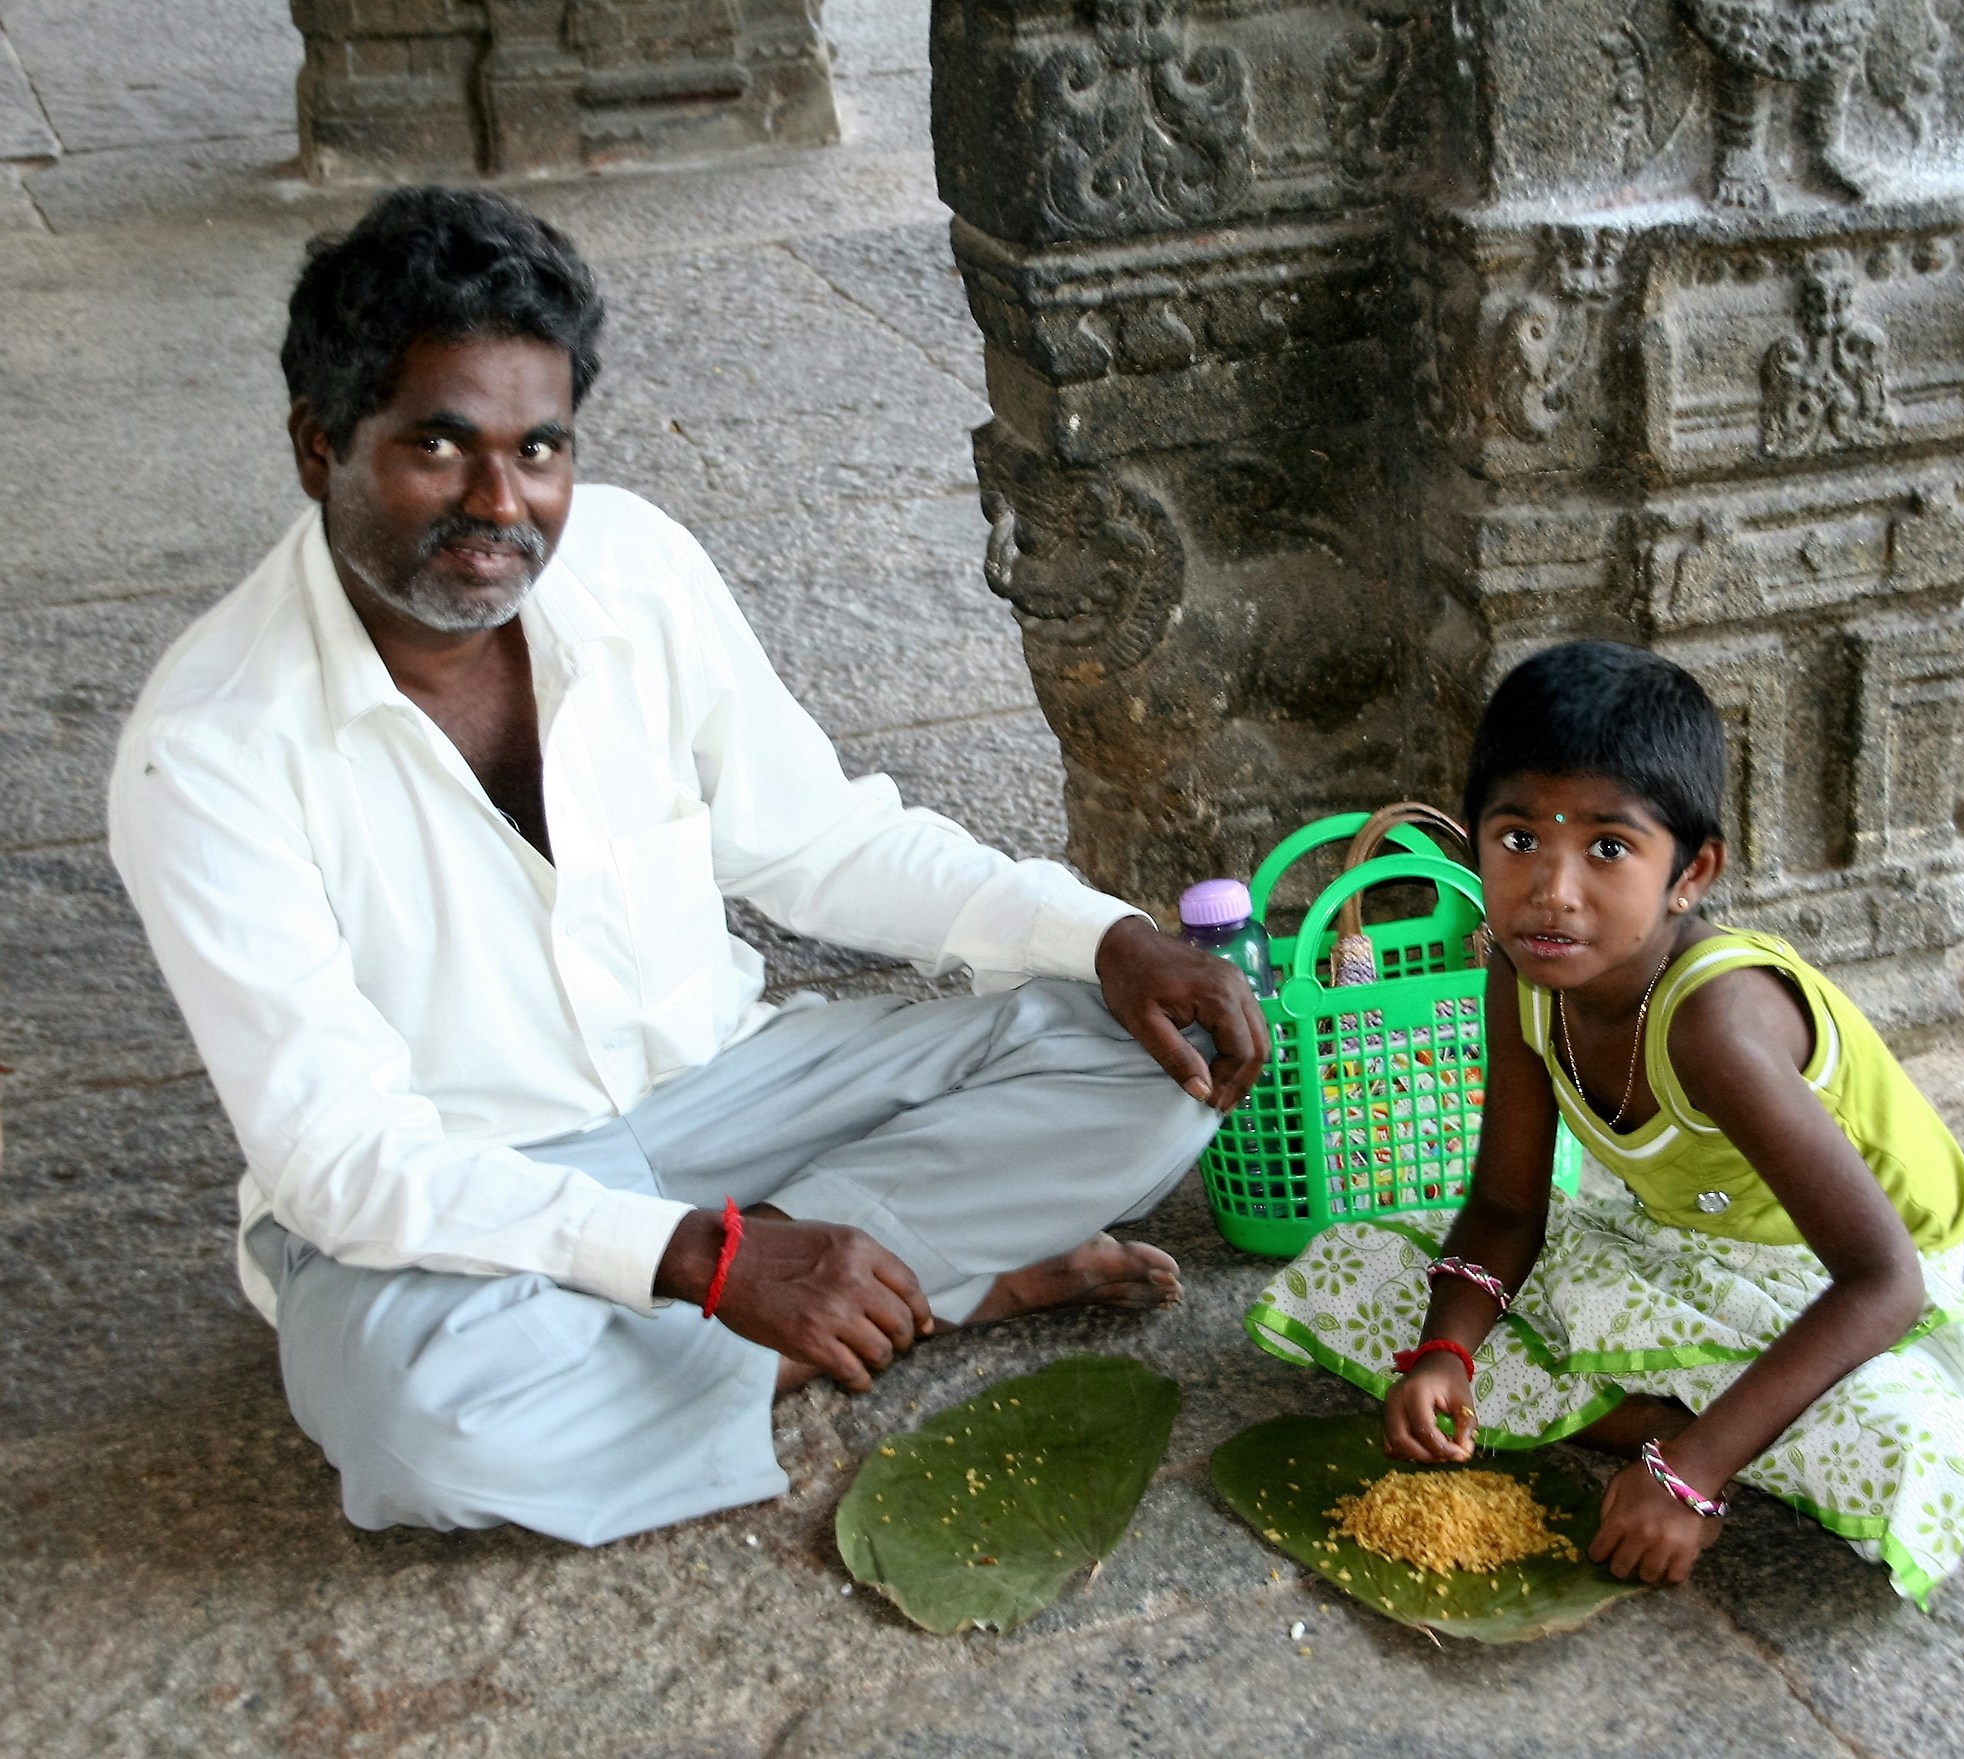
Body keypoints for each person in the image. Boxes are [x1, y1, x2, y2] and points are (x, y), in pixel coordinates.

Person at [108, 186, 1267, 1546]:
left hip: (728, 1091)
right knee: (421, 1425)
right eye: (439, 444)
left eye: (540, 448)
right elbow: (344, 1156)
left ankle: (789, 1306)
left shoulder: (634, 566)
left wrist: (1104, 937)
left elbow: (823, 839)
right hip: (464, 1179)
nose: (500, 503)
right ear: (321, 446)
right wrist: (702, 1256)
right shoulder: (207, 748)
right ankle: (927, 1290)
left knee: (1156, 1062)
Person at [1245, 641, 1964, 1605]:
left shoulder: (1717, 1023)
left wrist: (1689, 1476)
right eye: (1518, 838)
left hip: (1844, 1276)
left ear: (1691, 872)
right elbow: (1505, 1208)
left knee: (1901, 1444)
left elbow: (1884, 1280)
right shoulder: (1519, 971)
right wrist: (1444, 1353)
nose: (1553, 889)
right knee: (1354, 1270)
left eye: (1608, 849)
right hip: (1676, 1239)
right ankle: (1694, 1422)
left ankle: (1688, 1435)